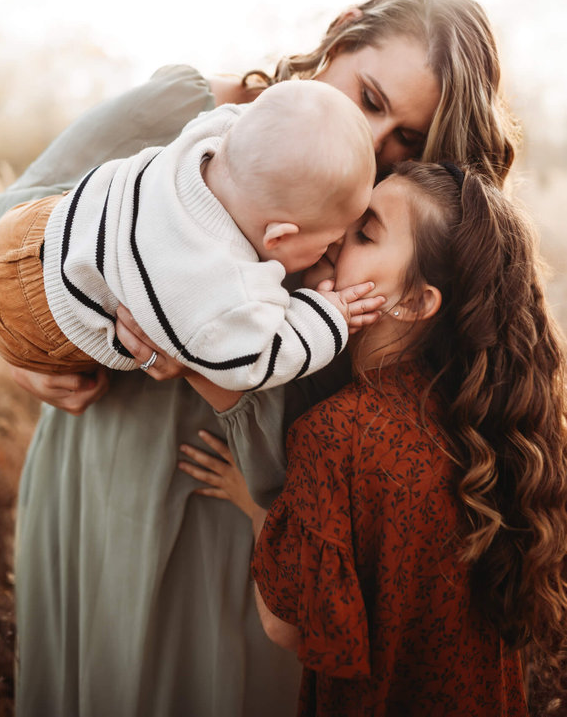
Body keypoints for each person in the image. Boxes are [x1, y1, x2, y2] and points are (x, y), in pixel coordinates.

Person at [0, 0, 522, 717]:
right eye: (369, 99)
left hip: (249, 519)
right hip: (108, 479)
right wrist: (30, 349)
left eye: (405, 142)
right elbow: (3, 240)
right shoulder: (187, 113)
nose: (370, 145)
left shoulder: (379, 224)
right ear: (340, 32)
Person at [170, 162, 567, 716]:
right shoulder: (479, 429)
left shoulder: (336, 435)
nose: (335, 237)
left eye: (364, 232)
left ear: (413, 302)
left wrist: (259, 505)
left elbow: (288, 625)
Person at [0, 81, 375, 387]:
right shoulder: (219, 282)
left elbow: (257, 121)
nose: (335, 246)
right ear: (278, 237)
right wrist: (327, 317)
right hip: (42, 316)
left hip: (34, 224)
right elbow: (255, 361)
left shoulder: (213, 135)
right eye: (330, 239)